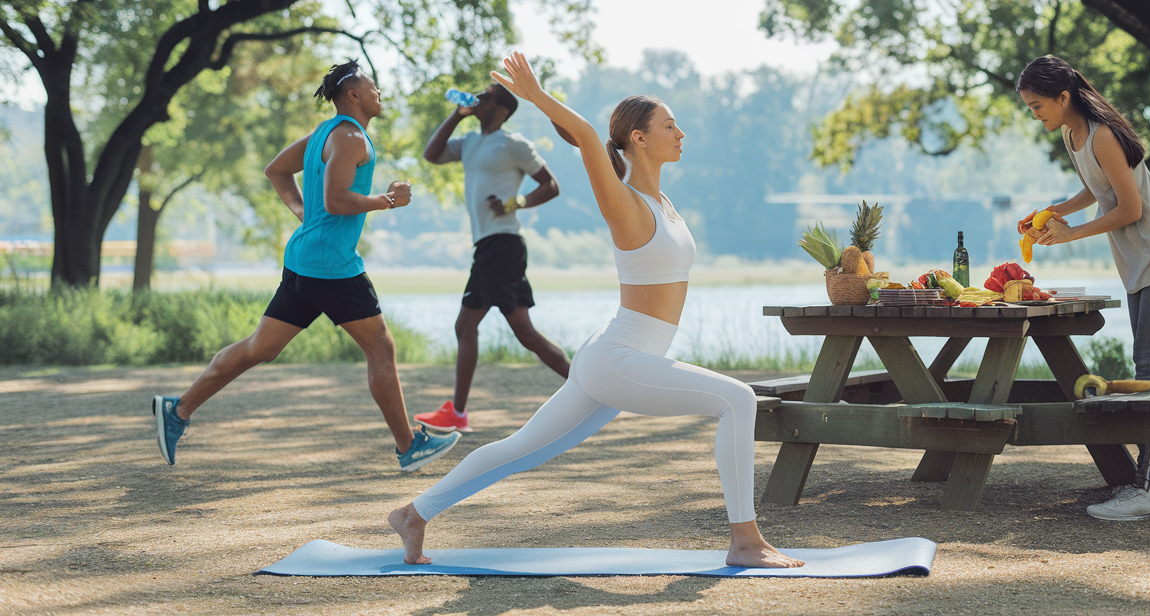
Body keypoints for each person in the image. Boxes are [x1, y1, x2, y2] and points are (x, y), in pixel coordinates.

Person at [388, 52, 803, 568]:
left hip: (613, 354)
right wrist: (536, 96)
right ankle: (745, 542)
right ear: (639, 138)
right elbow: (586, 138)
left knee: (523, 450)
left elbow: (594, 143)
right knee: (738, 399)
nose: (681, 133)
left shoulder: (662, 203)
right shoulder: (623, 202)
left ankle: (414, 513)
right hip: (619, 357)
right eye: (669, 125)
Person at [151, 61, 460, 473]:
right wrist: (387, 200)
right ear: (353, 95)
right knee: (380, 347)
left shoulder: (324, 134)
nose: (379, 93)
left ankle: (178, 410)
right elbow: (336, 200)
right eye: (373, 86)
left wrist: (305, 213)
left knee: (262, 347)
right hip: (332, 265)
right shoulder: (350, 137)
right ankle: (409, 446)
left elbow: (276, 171)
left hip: (305, 259)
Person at [1017, 54, 1150, 521]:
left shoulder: (1104, 135)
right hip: (1138, 259)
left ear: (1063, 97)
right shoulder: (1072, 133)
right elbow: (1098, 192)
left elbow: (1131, 208)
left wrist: (1072, 233)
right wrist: (1054, 210)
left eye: (1038, 106)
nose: (1035, 114)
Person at [413, 82, 571, 435]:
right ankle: (589, 386)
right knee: (525, 333)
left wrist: (514, 204)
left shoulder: (513, 144)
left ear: (501, 108)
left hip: (502, 243)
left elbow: (551, 185)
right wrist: (457, 115)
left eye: (485, 96)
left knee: (466, 327)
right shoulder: (470, 142)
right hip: (491, 245)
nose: (477, 99)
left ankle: (458, 413)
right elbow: (431, 154)